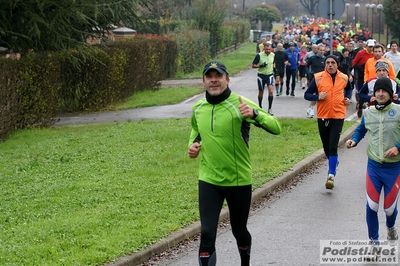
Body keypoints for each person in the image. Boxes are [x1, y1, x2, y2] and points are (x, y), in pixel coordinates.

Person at [188, 61, 282, 266]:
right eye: (209, 76)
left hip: (237, 180)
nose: (214, 80)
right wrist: (193, 146)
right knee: (206, 233)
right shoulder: (198, 107)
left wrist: (255, 114)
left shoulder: (239, 103)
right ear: (203, 81)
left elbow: (276, 127)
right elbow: (196, 132)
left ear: (227, 79)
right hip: (209, 179)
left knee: (239, 231)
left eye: (218, 76)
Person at [345, 77, 400, 248]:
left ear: (391, 94)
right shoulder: (369, 112)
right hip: (374, 166)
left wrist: (398, 148)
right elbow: (361, 129)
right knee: (372, 206)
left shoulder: (398, 111)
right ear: (374, 94)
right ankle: (373, 243)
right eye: (378, 91)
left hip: (394, 168)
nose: (381, 93)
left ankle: (390, 226)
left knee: (389, 210)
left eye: (384, 91)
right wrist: (354, 140)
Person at [304, 55, 352, 189]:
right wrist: (317, 96)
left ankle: (331, 175)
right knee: (326, 147)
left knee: (333, 145)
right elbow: (307, 94)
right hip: (323, 115)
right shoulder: (318, 77)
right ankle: (333, 161)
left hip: (338, 115)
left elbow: (349, 88)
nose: (330, 65)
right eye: (328, 63)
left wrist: (347, 98)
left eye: (333, 63)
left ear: (337, 65)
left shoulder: (344, 77)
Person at [351, 39, 375, 118]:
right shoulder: (361, 53)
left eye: (372, 47)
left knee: (372, 93)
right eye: (369, 47)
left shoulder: (375, 54)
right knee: (362, 92)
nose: (371, 49)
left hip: (372, 76)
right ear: (366, 46)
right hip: (361, 75)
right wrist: (361, 69)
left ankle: (370, 110)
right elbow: (353, 63)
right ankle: (360, 106)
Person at [252, 43, 275, 115]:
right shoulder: (259, 55)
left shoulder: (273, 55)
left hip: (269, 75)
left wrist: (275, 69)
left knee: (271, 91)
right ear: (264, 49)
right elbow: (253, 65)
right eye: (266, 49)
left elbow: (274, 62)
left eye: (269, 49)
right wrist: (260, 66)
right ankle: (260, 107)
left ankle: (270, 108)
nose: (268, 51)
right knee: (261, 92)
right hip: (261, 76)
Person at [305, 44, 326, 118]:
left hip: (323, 79)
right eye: (320, 50)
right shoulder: (312, 58)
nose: (322, 52)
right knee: (314, 94)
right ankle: (311, 109)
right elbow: (307, 66)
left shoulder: (325, 59)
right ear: (318, 50)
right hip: (314, 78)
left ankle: (315, 109)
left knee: (320, 94)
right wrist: (309, 72)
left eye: (323, 50)